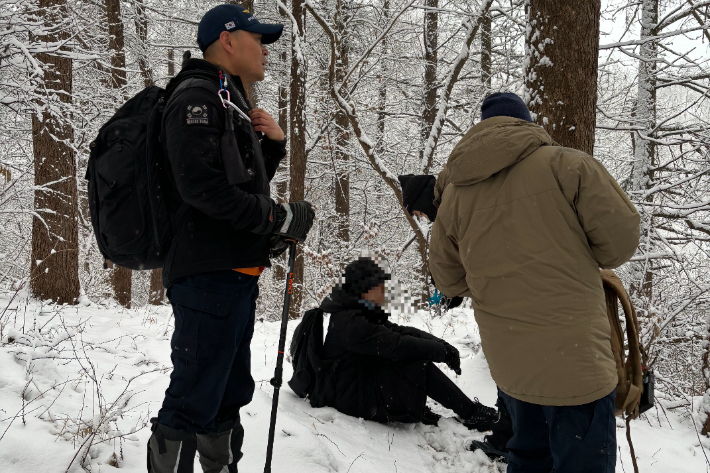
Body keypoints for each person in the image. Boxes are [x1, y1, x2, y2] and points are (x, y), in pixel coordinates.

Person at [429, 92, 640, 472]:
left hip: (512, 369)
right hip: (577, 365)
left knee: (528, 459)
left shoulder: (455, 196)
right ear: (525, 124)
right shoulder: (568, 166)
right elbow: (619, 245)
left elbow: (448, 280)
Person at [148, 5, 315, 473]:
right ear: (227, 40)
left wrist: (274, 148)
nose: (264, 49)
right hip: (207, 279)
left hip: (232, 277)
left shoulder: (228, 100)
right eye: (257, 38)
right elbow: (201, 189)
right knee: (193, 398)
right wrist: (275, 216)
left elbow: (235, 187)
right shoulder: (196, 98)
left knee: (227, 395)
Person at [313, 256, 497, 430]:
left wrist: (442, 345)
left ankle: (416, 405)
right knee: (416, 363)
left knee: (406, 357)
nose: (383, 291)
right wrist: (442, 353)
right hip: (351, 397)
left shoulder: (356, 310)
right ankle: (470, 413)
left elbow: (398, 331)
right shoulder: (352, 323)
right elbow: (397, 344)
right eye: (379, 286)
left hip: (359, 383)